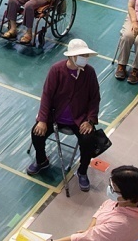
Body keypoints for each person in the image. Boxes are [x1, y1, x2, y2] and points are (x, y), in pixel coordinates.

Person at [26, 38, 102, 192]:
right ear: (71, 57)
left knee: (88, 140)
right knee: (36, 133)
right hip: (55, 116)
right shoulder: (56, 70)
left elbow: (95, 98)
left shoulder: (90, 73)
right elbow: (46, 95)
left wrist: (90, 121)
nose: (84, 58)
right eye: (81, 55)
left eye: (86, 55)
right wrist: (42, 120)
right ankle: (42, 161)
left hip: (79, 119)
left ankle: (82, 171)